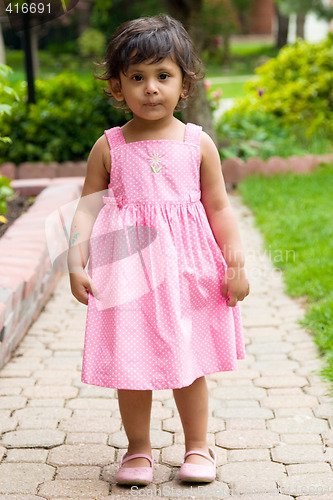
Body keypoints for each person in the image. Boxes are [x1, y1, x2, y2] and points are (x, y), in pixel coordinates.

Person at [68, 14, 249, 487]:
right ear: (117, 87)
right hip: (127, 274)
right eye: (137, 78)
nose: (151, 89)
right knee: (133, 362)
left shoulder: (197, 144)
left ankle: (198, 446)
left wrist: (235, 265)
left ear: (184, 85)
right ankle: (138, 450)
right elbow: (87, 208)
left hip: (187, 269)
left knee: (188, 360)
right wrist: (74, 259)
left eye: (163, 76)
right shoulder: (108, 146)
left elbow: (220, 208)